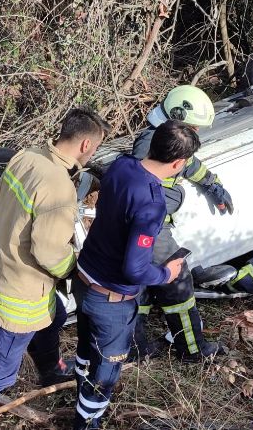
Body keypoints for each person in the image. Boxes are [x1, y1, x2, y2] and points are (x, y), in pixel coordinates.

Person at [0, 108, 109, 430]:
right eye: (97, 147)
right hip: (24, 288)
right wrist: (76, 269)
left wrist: (3, 244)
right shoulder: (59, 188)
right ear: (86, 144)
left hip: (4, 270)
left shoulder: (27, 157)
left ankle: (49, 371)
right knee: (2, 369)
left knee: (56, 316)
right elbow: (49, 251)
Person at [71, 120, 200, 430]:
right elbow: (135, 268)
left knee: (86, 353)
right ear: (178, 163)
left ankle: (79, 400)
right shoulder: (152, 203)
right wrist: (166, 273)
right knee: (105, 374)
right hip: (111, 301)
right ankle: (86, 424)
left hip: (83, 279)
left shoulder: (121, 166)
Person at [130, 85, 234, 362]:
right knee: (178, 282)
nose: (197, 133)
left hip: (147, 228)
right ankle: (192, 350)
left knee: (139, 289)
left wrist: (213, 185)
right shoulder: (147, 145)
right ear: (176, 116)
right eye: (193, 127)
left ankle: (136, 350)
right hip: (151, 229)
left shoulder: (162, 139)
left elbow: (190, 163)